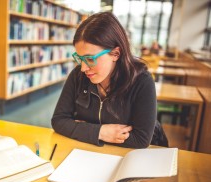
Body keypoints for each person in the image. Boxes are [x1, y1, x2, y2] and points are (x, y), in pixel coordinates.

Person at [51, 12, 158, 148]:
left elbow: (140, 139)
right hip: (89, 154)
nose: (83, 68)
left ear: (115, 53)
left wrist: (79, 128)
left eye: (90, 59)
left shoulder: (142, 82)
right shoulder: (77, 76)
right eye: (80, 58)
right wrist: (101, 132)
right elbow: (59, 120)